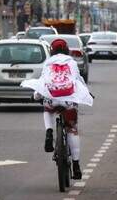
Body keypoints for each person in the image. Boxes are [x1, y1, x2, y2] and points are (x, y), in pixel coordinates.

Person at [21, 39, 93, 180]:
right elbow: (78, 80)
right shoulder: (71, 62)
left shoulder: (48, 62)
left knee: (47, 109)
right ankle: (76, 166)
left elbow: (43, 81)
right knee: (72, 130)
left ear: (52, 50)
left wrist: (36, 95)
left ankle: (49, 132)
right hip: (69, 100)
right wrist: (86, 92)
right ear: (66, 50)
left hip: (52, 98)